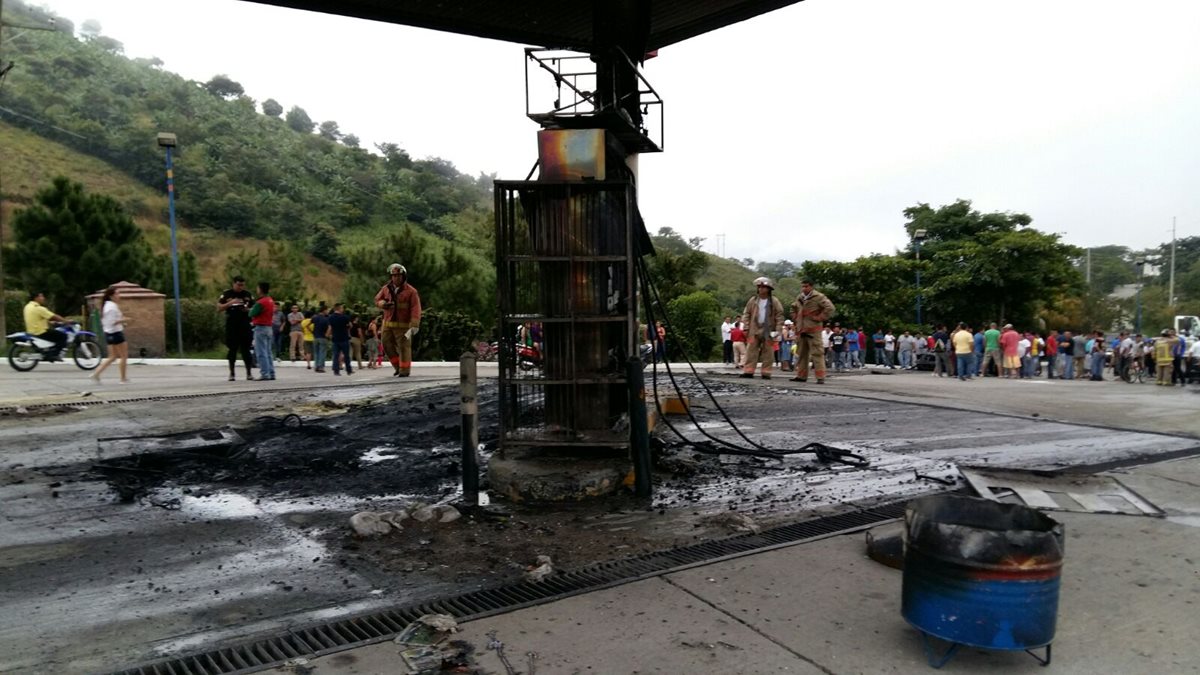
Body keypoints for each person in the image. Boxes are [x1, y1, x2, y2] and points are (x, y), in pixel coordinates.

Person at [374, 262, 422, 377]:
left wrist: (414, 323)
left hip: (403, 326)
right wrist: (383, 304)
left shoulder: (411, 291)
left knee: (404, 347)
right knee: (386, 345)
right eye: (394, 276)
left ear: (403, 277)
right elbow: (377, 299)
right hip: (388, 325)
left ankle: (405, 370)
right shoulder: (386, 288)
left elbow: (416, 308)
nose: (396, 278)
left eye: (398, 276)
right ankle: (397, 367)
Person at [790, 280, 835, 384]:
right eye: (802, 286)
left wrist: (819, 318)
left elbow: (830, 308)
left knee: (817, 354)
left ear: (811, 287)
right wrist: (796, 318)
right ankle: (801, 376)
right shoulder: (800, 297)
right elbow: (793, 308)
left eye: (806, 286)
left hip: (814, 331)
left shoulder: (819, 297)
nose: (804, 289)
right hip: (801, 330)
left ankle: (820, 377)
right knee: (801, 354)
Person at [739, 277, 785, 379]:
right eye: (759, 287)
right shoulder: (753, 300)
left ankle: (766, 372)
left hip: (768, 329)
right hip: (754, 329)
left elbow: (779, 316)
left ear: (769, 289)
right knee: (751, 350)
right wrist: (746, 327)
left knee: (768, 352)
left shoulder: (774, 301)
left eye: (763, 287)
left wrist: (778, 331)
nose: (761, 289)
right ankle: (748, 371)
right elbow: (746, 314)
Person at [217, 276, 254, 382]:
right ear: (233, 284)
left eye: (242, 285)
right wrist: (230, 303)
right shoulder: (227, 294)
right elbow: (219, 307)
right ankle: (232, 373)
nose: (240, 287)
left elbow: (254, 308)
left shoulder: (247, 294)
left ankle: (249, 373)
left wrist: (248, 309)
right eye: (238, 284)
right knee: (232, 349)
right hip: (232, 324)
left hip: (244, 323)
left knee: (246, 350)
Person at [91, 285, 130, 384]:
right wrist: (125, 319)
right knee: (123, 356)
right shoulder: (112, 307)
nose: (119, 295)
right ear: (111, 296)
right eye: (117, 293)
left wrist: (122, 321)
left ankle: (96, 374)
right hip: (116, 333)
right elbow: (112, 321)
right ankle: (123, 378)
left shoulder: (107, 306)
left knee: (112, 357)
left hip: (108, 333)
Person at [23, 292, 68, 361]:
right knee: (63, 336)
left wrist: (50, 322)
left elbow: (36, 319)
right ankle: (54, 355)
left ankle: (49, 351)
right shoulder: (39, 308)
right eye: (41, 296)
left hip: (31, 331)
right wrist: (65, 321)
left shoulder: (27, 307)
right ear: (36, 298)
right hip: (41, 332)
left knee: (55, 334)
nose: (43, 298)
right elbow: (53, 316)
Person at [248, 282, 276, 381]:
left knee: (261, 352)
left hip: (260, 327)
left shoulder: (261, 302)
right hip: (269, 327)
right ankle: (271, 372)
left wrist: (250, 310)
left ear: (260, 289)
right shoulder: (270, 300)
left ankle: (264, 373)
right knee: (268, 352)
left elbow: (251, 313)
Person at [327, 303, 354, 376]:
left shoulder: (331, 317)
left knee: (336, 355)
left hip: (335, 339)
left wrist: (328, 335)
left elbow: (330, 328)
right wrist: (346, 328)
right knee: (346, 355)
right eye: (342, 308)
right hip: (344, 338)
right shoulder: (345, 317)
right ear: (339, 309)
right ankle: (348, 370)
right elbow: (350, 325)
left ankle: (336, 371)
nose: (343, 309)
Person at [312, 305, 331, 373]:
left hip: (315, 337)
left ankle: (316, 366)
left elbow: (308, 325)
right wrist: (327, 335)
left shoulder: (315, 318)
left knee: (316, 353)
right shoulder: (326, 319)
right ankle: (321, 367)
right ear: (324, 310)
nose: (328, 311)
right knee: (322, 352)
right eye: (327, 310)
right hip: (323, 337)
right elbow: (329, 327)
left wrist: (312, 332)